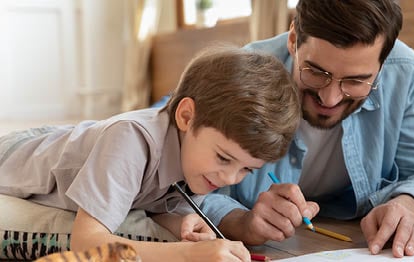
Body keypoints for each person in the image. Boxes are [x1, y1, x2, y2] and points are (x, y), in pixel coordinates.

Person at [200, 0, 414, 258]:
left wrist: (408, 206)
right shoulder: (240, 74)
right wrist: (239, 221)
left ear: (382, 63)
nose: (330, 99)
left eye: (356, 80)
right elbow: (173, 186)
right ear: (293, 40)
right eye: (316, 72)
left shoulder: (403, 70)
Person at [0, 45, 301, 262]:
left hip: (71, 136)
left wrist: (180, 225)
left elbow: (156, 204)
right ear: (186, 116)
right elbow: (86, 242)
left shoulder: (196, 156)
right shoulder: (130, 141)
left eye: (246, 170)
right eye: (224, 158)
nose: (228, 178)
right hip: (14, 154)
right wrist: (188, 254)